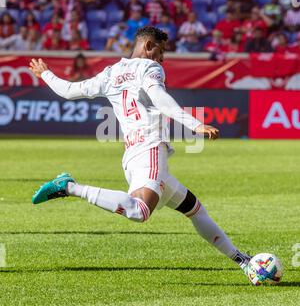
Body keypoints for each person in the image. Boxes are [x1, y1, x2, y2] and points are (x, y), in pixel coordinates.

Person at [29, 26, 252, 282]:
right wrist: (194, 124)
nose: (163, 58)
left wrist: (45, 73)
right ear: (148, 46)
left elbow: (68, 91)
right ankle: (69, 187)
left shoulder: (110, 74)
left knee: (195, 210)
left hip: (134, 156)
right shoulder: (150, 68)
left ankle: (242, 260)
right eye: (161, 50)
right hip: (150, 148)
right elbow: (159, 97)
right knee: (140, 211)